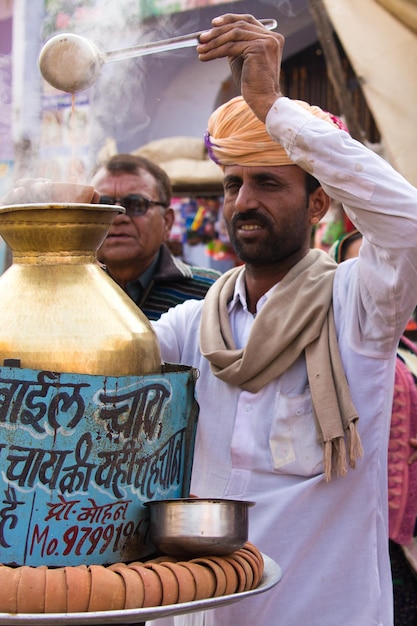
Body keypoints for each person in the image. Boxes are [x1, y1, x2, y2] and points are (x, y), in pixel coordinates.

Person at [147, 14, 417, 626]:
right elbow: (94, 360)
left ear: (319, 203)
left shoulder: (358, 306)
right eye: (233, 183)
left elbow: (410, 228)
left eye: (268, 182)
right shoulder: (192, 326)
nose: (244, 201)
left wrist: (273, 108)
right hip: (198, 611)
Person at [90, 153, 221, 320]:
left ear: (167, 221)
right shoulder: (69, 292)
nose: (117, 216)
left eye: (136, 204)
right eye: (103, 205)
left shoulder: (210, 293)